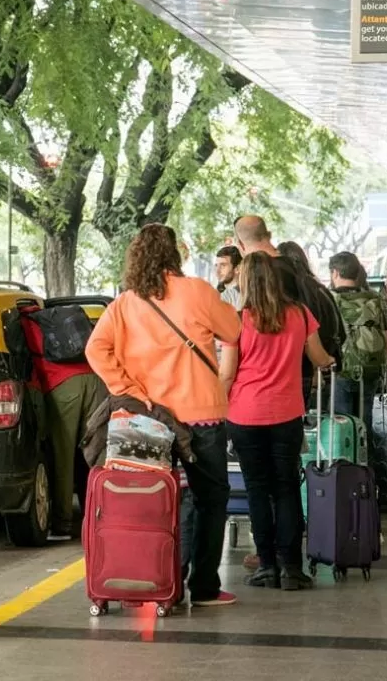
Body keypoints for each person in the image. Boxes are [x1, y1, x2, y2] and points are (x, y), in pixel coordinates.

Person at [86, 223, 241, 607]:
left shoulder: (124, 304)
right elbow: (234, 331)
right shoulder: (198, 292)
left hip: (147, 419)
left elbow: (95, 349)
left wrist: (127, 388)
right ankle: (203, 586)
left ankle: (152, 581)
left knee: (150, 501)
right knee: (210, 499)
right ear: (175, 254)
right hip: (200, 414)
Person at [220, 252, 335, 591]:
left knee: (257, 490)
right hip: (286, 415)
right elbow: (319, 358)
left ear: (245, 282)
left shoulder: (237, 320)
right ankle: (293, 569)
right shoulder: (300, 313)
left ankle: (266, 566)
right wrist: (330, 359)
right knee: (286, 489)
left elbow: (227, 373)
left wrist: (213, 406)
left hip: (244, 414)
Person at [18, 302, 107, 538]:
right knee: (100, 452)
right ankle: (106, 517)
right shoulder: (58, 318)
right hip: (95, 379)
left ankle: (62, 524)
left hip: (63, 387)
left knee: (63, 456)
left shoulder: (24, 322)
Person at [327, 251, 387, 432]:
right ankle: (366, 458)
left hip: (341, 371)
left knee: (342, 427)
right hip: (371, 369)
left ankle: (344, 460)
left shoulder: (329, 299)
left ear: (335, 273)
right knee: (365, 424)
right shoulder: (377, 299)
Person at [276, 240, 346, 407]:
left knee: (303, 427)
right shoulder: (320, 288)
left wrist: (315, 366)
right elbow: (341, 333)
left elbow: (307, 334)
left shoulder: (296, 292)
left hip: (306, 371)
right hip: (325, 370)